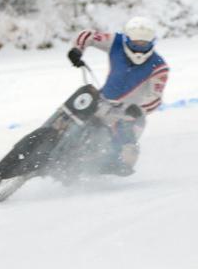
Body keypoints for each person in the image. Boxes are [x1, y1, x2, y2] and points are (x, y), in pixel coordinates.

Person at [67, 16, 168, 175]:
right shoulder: (115, 41)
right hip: (101, 102)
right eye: (135, 44)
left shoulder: (159, 67)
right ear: (127, 39)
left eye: (144, 44)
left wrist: (138, 109)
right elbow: (89, 36)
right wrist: (77, 49)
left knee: (126, 146)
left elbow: (155, 97)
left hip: (129, 114)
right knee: (72, 112)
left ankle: (116, 165)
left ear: (152, 43)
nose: (139, 49)